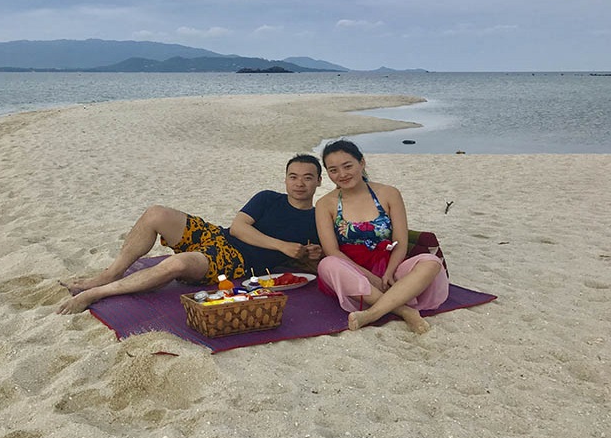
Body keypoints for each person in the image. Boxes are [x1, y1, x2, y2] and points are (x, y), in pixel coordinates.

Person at [57, 154, 324, 314]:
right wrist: (283, 246)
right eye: (293, 176)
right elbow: (238, 228)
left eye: (307, 177)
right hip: (216, 235)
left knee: (177, 263)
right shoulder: (267, 198)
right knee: (156, 213)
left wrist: (307, 254)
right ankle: (111, 273)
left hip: (235, 262)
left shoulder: (316, 219)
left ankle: (97, 293)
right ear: (285, 179)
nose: (299, 183)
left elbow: (305, 266)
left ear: (319, 181)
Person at [315, 140, 448, 334]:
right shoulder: (325, 204)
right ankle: (403, 310)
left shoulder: (388, 193)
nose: (342, 174)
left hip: (391, 268)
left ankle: (372, 314)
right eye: (334, 170)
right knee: (327, 264)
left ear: (362, 163)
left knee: (431, 262)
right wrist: (371, 277)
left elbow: (400, 242)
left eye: (348, 166)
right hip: (353, 272)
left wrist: (388, 274)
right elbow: (332, 251)